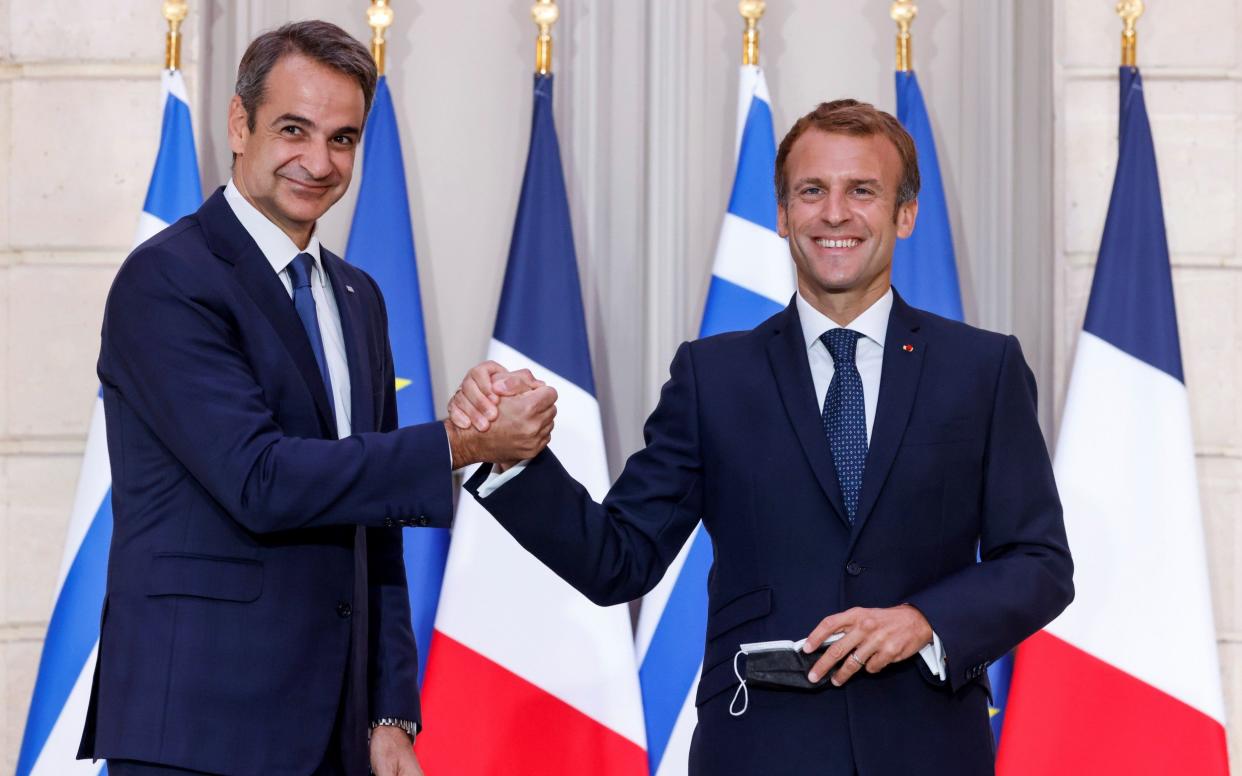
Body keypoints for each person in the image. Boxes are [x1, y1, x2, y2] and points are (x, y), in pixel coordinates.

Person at [450, 100, 1073, 775]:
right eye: (812, 191)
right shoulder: (712, 376)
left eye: (861, 190)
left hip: (928, 747)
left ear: (905, 213)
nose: (834, 212)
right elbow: (619, 560)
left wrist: (922, 620)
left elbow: (1040, 563)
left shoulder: (983, 369)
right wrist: (505, 460)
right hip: (757, 748)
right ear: (782, 214)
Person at [77, 21, 555, 776]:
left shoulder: (358, 296)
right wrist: (460, 445)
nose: (319, 161)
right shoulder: (167, 281)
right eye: (293, 129)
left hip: (335, 732)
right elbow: (260, 481)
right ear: (239, 123)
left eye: (342, 139)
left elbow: (381, 518)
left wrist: (391, 710)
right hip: (199, 728)